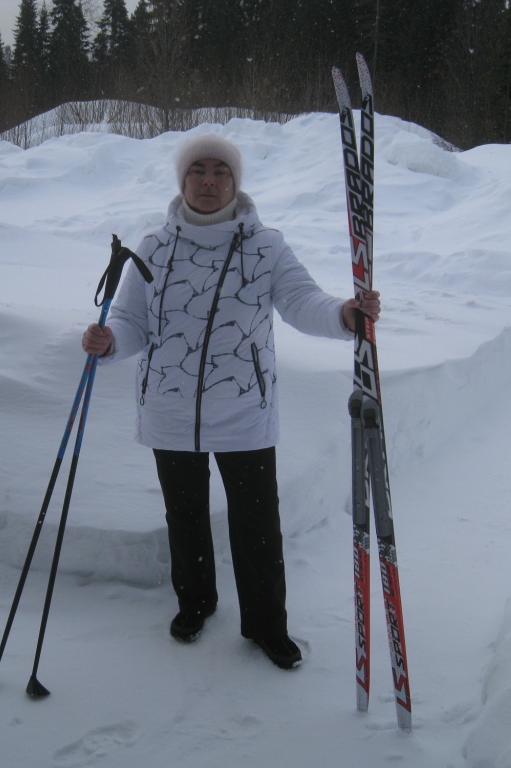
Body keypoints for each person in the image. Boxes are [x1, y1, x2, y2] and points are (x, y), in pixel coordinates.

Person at [82, 134, 380, 670]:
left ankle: (267, 625)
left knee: (256, 524)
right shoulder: (152, 247)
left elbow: (300, 301)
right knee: (186, 516)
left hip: (243, 413)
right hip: (169, 413)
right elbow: (130, 322)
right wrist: (109, 345)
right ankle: (195, 604)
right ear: (183, 180)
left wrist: (344, 315)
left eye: (222, 171)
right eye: (199, 170)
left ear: (236, 183)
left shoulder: (266, 246)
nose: (209, 181)